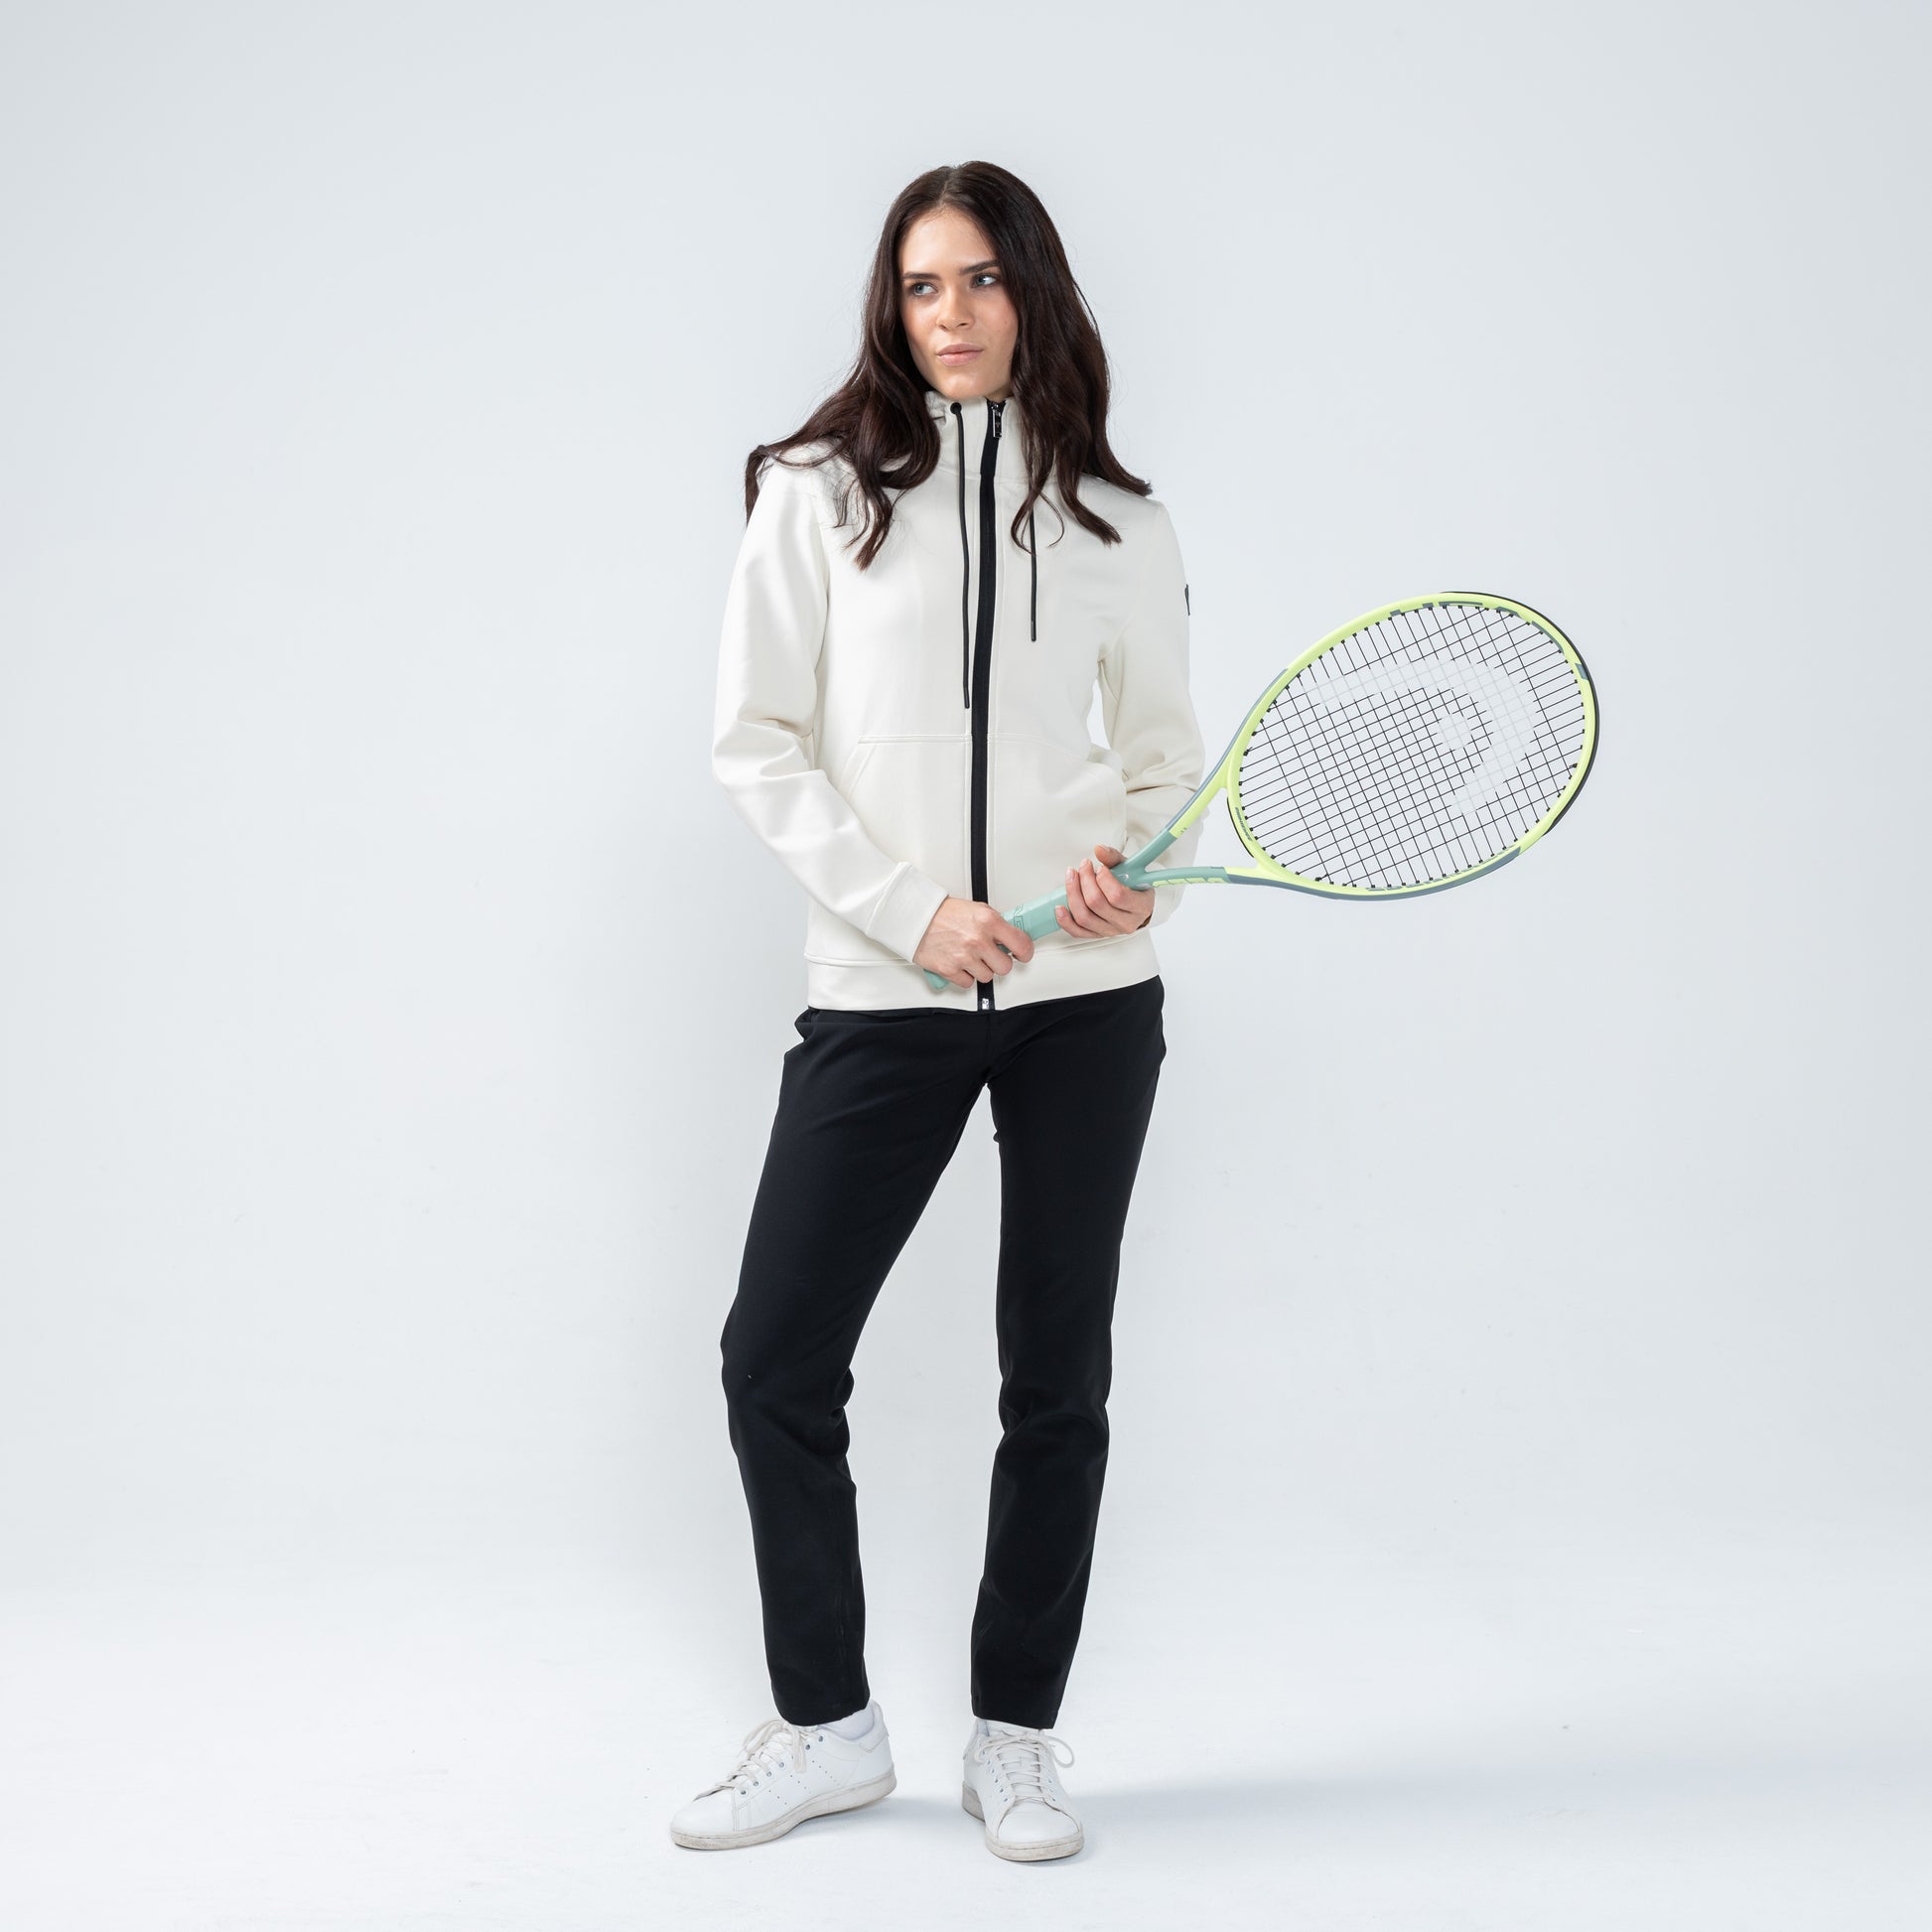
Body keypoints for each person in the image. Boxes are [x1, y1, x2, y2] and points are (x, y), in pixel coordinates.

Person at [670, 160, 1206, 1863]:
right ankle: (825, 1728)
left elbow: (1164, 765)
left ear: (1033, 293)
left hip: (1082, 1002)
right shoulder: (817, 495)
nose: (951, 314)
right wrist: (913, 912)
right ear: (888, 307)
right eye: (921, 285)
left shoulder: (1118, 520)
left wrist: (1136, 880)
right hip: (884, 992)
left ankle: (1016, 1740)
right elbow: (757, 743)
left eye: (980, 279)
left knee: (1055, 1376)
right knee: (774, 1355)